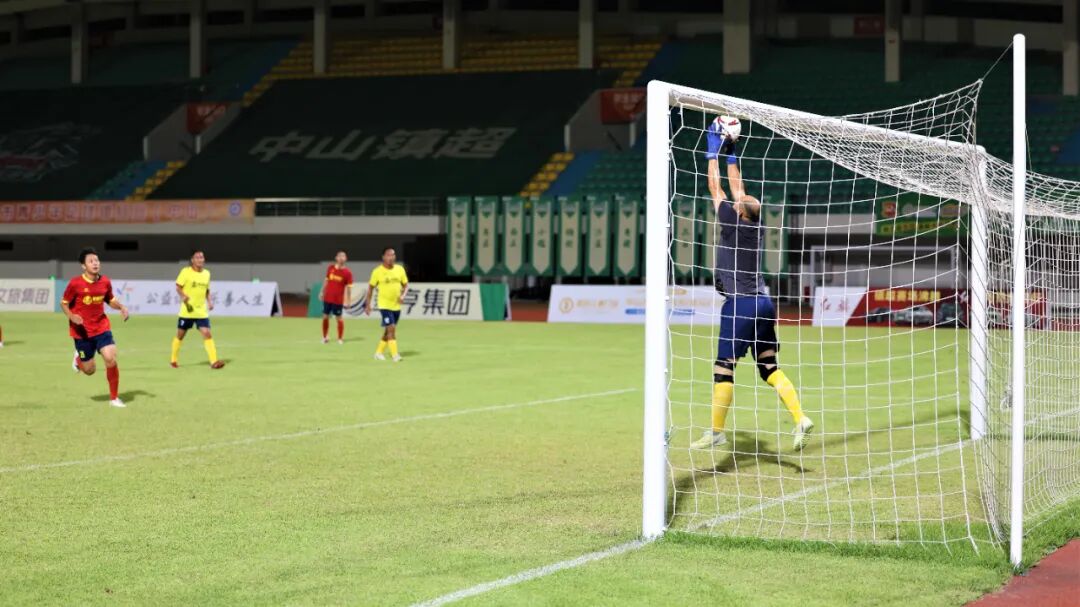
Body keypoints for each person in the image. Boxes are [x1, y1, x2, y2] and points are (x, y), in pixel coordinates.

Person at [691, 116, 815, 452]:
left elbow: (716, 188)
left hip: (742, 303)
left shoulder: (733, 224)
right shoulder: (755, 225)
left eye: (738, 203)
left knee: (724, 367)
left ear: (739, 212)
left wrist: (712, 150)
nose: (735, 201)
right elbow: (737, 188)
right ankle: (800, 418)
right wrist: (732, 150)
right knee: (768, 365)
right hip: (764, 302)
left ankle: (717, 431)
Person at [61, 247, 130, 408]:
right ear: (83, 266)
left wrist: (121, 307)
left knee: (110, 358)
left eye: (97, 260)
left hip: (101, 328)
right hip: (81, 332)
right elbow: (64, 304)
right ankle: (78, 359)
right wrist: (72, 316)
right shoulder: (75, 283)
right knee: (89, 370)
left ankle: (114, 398)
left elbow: (110, 300)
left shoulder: (105, 281)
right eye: (91, 261)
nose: (95, 263)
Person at [170, 250, 225, 369]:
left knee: (207, 333)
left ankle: (214, 362)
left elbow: (206, 290)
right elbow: (178, 286)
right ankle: (173, 360)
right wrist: (183, 296)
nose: (200, 259)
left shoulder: (207, 274)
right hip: (187, 311)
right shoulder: (186, 272)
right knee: (180, 335)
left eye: (202, 257)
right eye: (197, 257)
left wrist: (209, 302)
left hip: (201, 311)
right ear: (192, 260)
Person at [365, 247, 408, 362]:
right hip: (384, 306)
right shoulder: (377, 271)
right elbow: (370, 289)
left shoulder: (400, 269)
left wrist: (403, 296)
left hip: (396, 306)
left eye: (393, 255)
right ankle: (395, 355)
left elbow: (406, 285)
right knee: (391, 329)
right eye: (388, 255)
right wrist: (368, 304)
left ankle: (378, 353)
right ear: (383, 257)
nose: (391, 257)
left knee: (388, 331)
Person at [319, 250, 354, 344]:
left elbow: (349, 288)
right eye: (340, 256)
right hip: (328, 298)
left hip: (338, 300)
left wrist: (348, 301)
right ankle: (325, 337)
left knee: (339, 318)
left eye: (343, 256)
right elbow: (326, 281)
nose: (341, 258)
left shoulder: (347, 273)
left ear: (346, 259)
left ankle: (340, 338)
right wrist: (322, 292)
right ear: (336, 258)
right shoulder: (330, 268)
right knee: (325, 317)